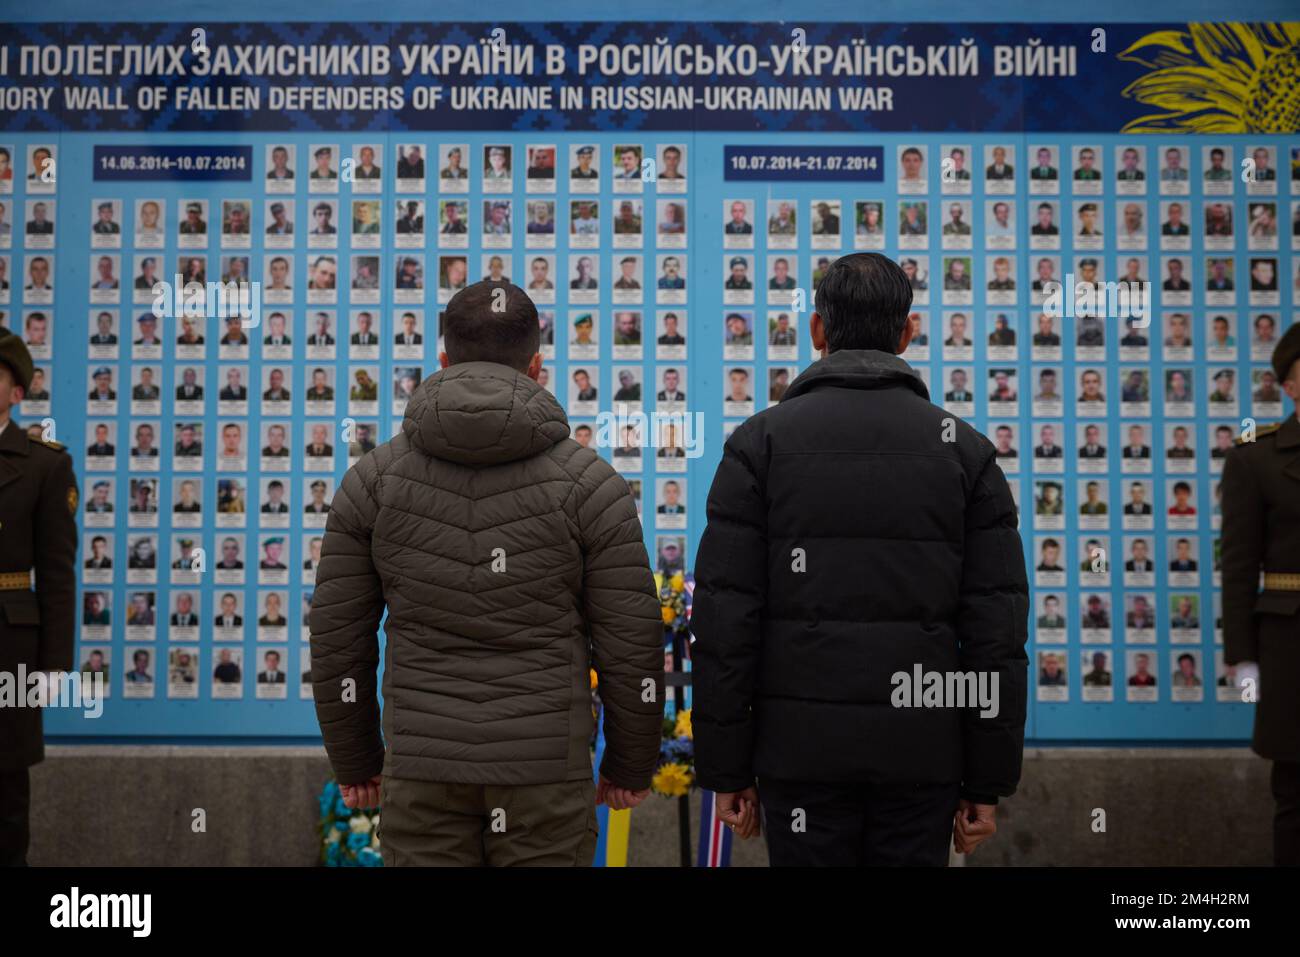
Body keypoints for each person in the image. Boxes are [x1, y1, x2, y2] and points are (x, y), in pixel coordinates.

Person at [310, 280, 664, 867]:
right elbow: (630, 640)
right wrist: (629, 764)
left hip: (423, 769)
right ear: (538, 368)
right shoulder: (592, 485)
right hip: (545, 771)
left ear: (443, 361)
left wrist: (356, 760)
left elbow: (338, 638)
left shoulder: (372, 481)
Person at [691, 253, 1028, 866]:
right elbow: (994, 636)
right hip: (921, 757)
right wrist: (986, 783)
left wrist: (726, 766)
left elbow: (724, 623)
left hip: (800, 759)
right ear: (908, 332)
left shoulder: (757, 446)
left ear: (817, 331)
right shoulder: (966, 454)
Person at [1221, 322, 1300, 866]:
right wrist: (1243, 656)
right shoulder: (1257, 458)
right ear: (1290, 384)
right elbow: (1239, 564)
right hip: (1292, 644)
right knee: (1296, 793)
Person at [0, 327, 78, 866]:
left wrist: (53, 666)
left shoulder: (44, 464)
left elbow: (57, 572)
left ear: (16, 392)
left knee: (5, 789)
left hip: (8, 646)